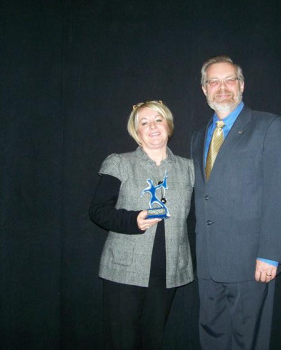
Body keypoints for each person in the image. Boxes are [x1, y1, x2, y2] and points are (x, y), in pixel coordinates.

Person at [190, 55, 281, 350]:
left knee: (247, 341)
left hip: (251, 262)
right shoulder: (199, 136)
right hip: (209, 262)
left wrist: (271, 254)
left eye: (229, 80)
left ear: (241, 85)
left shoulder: (269, 126)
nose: (222, 87)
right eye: (214, 81)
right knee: (211, 337)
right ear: (204, 89)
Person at [89, 100, 195, 350]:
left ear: (168, 125)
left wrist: (191, 260)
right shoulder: (119, 162)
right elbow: (98, 210)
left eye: (158, 120)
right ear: (136, 132)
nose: (153, 127)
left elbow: (193, 221)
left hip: (168, 273)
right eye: (144, 123)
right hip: (124, 271)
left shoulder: (189, 168)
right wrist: (132, 220)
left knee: (153, 342)